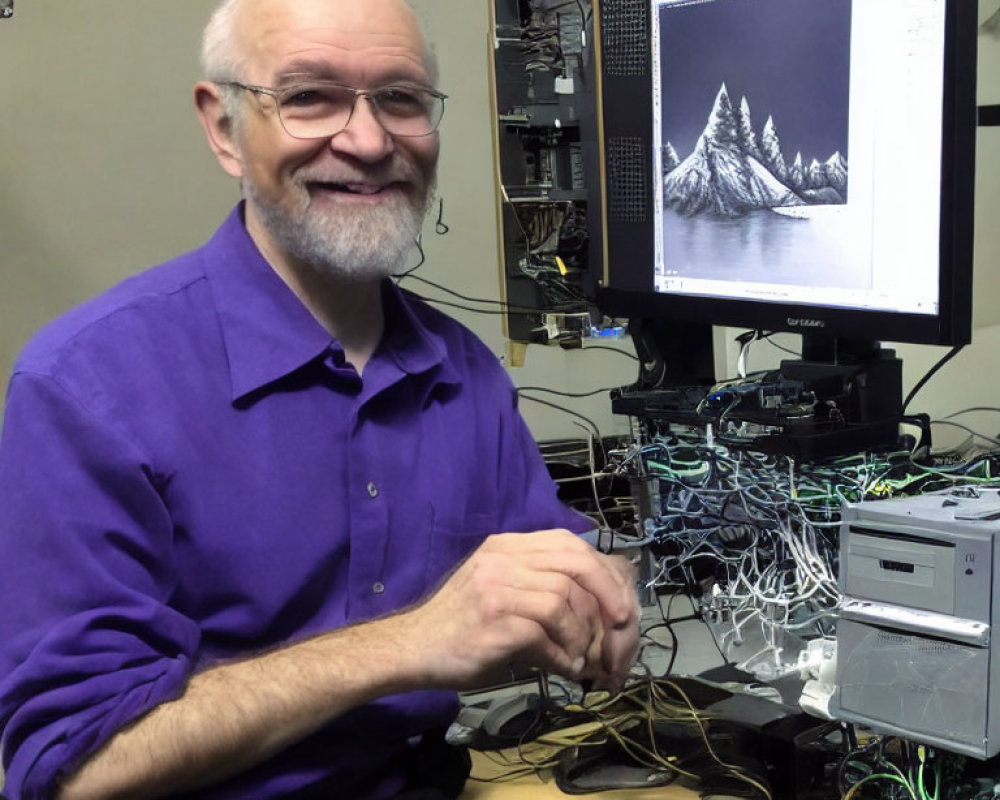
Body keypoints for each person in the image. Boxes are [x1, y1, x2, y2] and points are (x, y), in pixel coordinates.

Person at [0, 1, 640, 798]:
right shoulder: (87, 388)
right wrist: (409, 644)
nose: (369, 143)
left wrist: (601, 595)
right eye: (310, 97)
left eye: (401, 98)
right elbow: (68, 771)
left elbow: (554, 574)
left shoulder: (464, 374)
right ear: (224, 127)